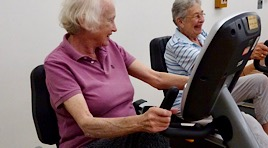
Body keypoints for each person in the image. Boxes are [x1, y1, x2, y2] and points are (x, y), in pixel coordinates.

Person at [44, 0, 189, 147]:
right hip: (89, 144)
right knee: (149, 134)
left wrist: (199, 83)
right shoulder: (58, 63)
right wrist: (141, 122)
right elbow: (87, 125)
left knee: (158, 130)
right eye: (110, 20)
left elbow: (155, 77)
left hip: (129, 137)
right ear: (85, 21)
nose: (115, 28)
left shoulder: (111, 48)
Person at [165, 0, 268, 146]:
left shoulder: (200, 35)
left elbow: (222, 55)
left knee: (260, 81)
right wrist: (249, 53)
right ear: (180, 21)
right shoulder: (177, 45)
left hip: (214, 91)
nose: (202, 19)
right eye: (196, 16)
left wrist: (249, 50)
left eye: (202, 14)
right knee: (246, 121)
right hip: (192, 104)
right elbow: (211, 67)